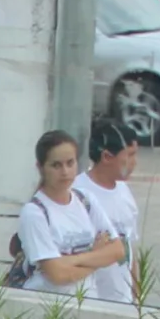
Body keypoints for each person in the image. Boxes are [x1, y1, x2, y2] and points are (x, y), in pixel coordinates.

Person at [14, 128, 117, 299]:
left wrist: (70, 260)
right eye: (56, 165)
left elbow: (117, 250)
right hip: (48, 309)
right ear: (40, 167)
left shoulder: (86, 200)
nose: (65, 171)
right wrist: (96, 258)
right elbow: (57, 275)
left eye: (70, 163)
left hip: (88, 304)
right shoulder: (35, 213)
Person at [69, 118, 142, 305]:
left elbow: (130, 250)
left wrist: (136, 296)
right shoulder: (77, 193)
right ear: (107, 157)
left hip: (123, 302)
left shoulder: (125, 192)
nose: (135, 162)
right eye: (130, 155)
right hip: (90, 300)